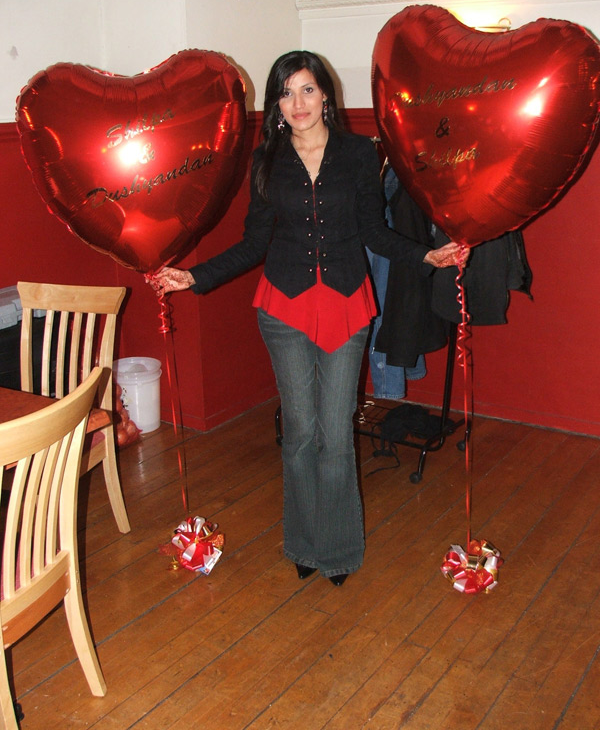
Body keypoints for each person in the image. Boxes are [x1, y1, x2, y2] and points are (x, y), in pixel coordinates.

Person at [149, 50, 464, 587]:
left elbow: (374, 231)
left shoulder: (359, 154)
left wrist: (425, 255)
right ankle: (303, 542)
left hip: (346, 306)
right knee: (298, 433)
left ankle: (338, 550)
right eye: (286, 92)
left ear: (325, 96)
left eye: (308, 90)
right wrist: (194, 276)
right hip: (284, 310)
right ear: (276, 104)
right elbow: (254, 243)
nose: (298, 103)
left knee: (335, 435)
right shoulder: (266, 161)